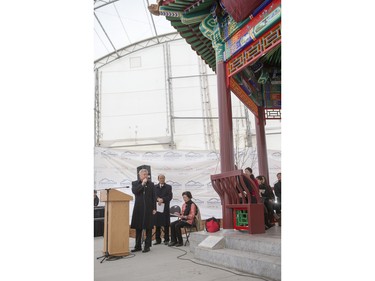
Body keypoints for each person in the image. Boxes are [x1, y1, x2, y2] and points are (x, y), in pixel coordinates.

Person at [130, 169, 156, 253]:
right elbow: (135, 191)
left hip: (148, 209)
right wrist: (142, 184)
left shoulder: (151, 184)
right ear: (140, 175)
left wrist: (154, 208)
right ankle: (138, 246)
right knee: (138, 228)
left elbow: (153, 196)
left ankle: (147, 246)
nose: (146, 176)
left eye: (147, 174)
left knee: (148, 228)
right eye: (144, 174)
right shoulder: (135, 183)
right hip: (138, 209)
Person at [153, 174, 173, 245]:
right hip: (157, 208)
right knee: (157, 224)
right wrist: (157, 199)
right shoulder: (154, 187)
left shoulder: (168, 187)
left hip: (165, 208)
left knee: (166, 224)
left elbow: (170, 196)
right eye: (160, 178)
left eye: (163, 178)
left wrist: (163, 199)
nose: (162, 179)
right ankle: (158, 240)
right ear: (158, 179)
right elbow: (153, 196)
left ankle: (166, 239)